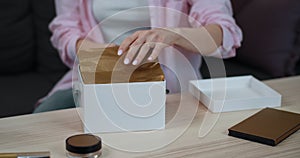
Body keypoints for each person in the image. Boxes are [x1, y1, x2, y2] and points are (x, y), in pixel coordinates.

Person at [34, 0, 242, 113]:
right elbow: (64, 28)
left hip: (168, 86)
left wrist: (172, 35)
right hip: (96, 79)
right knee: (42, 119)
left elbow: (223, 32)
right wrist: (91, 50)